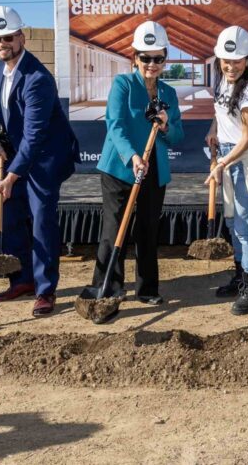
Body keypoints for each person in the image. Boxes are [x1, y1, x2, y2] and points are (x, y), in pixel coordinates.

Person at [0, 6, 79, 318]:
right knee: (10, 215)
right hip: (17, 155)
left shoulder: (37, 78)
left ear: (22, 37)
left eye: (7, 37)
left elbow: (35, 135)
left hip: (46, 158)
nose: (2, 44)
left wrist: (10, 177)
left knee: (41, 222)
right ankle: (21, 279)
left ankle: (45, 290)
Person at [89, 20, 184, 307]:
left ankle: (147, 288)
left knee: (147, 229)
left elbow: (178, 137)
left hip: (153, 169)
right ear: (135, 57)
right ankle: (107, 287)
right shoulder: (123, 85)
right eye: (145, 57)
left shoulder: (168, 93)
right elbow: (115, 125)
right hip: (120, 167)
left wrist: (166, 126)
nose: (151, 64)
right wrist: (132, 157)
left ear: (165, 59)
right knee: (114, 228)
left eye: (157, 58)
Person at [204, 26, 248, 314]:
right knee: (232, 221)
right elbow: (220, 113)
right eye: (227, 60)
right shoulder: (222, 82)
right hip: (229, 155)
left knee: (245, 225)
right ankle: (240, 275)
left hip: (244, 157)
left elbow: (246, 138)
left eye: (237, 60)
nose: (231, 65)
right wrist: (213, 129)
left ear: (247, 61)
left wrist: (223, 162)